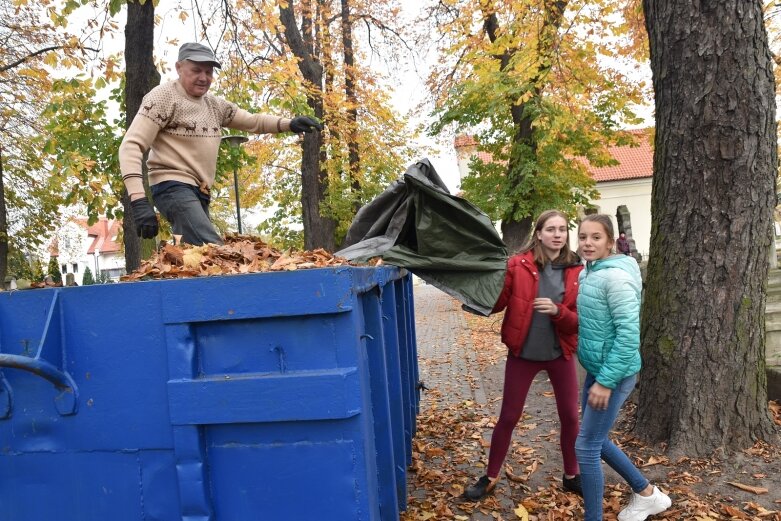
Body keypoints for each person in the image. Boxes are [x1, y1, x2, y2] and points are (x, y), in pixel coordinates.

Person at [119, 42, 323, 246]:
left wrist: (290, 124)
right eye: (196, 70)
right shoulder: (163, 97)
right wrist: (138, 200)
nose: (203, 78)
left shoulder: (215, 106)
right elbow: (131, 145)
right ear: (179, 68)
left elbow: (252, 121)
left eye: (208, 72)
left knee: (195, 256)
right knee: (212, 247)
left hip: (200, 191)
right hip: (172, 187)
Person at [464, 210, 584, 501]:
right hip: (523, 354)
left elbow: (579, 321)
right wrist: (470, 291)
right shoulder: (517, 265)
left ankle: (572, 475)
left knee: (570, 416)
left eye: (563, 229)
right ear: (539, 233)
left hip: (560, 354)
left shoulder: (578, 270)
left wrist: (558, 312)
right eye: (551, 229)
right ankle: (490, 477)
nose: (558, 234)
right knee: (508, 416)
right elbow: (497, 302)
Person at [575, 214, 671, 521]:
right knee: (595, 441)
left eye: (596, 237)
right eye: (583, 237)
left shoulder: (616, 278)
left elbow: (628, 337)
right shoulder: (589, 271)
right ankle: (646, 495)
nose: (588, 243)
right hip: (598, 369)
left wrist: (604, 382)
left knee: (586, 447)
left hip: (613, 375)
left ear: (611, 241)